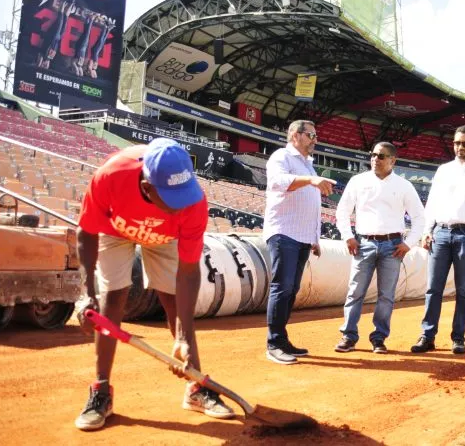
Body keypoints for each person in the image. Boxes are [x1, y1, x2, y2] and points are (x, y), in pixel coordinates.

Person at [73, 138, 234, 431]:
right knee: (113, 299)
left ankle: (197, 386)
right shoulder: (110, 176)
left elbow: (188, 272)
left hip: (165, 237)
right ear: (147, 188)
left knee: (174, 302)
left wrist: (182, 337)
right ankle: (101, 391)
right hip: (116, 228)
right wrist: (86, 294)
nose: (182, 204)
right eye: (174, 199)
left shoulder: (193, 201)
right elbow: (86, 232)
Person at [411, 126, 465, 355]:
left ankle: (458, 338)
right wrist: (426, 230)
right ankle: (427, 336)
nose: (460, 147)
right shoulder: (443, 170)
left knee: (464, 290)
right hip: (440, 232)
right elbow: (432, 202)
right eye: (457, 143)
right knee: (433, 288)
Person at [334, 142, 425, 354]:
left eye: (381, 156)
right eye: (373, 154)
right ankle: (348, 336)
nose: (376, 159)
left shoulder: (404, 186)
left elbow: (420, 218)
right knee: (355, 292)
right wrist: (348, 236)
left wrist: (409, 243)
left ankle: (379, 338)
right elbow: (343, 211)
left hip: (393, 246)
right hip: (363, 242)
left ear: (393, 160)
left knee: (386, 295)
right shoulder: (358, 181)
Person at [263, 120, 335, 364]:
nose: (315, 139)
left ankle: (281, 339)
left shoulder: (308, 165)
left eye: (316, 135)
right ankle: (273, 343)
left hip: (302, 237)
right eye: (311, 135)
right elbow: (277, 183)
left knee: (291, 289)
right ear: (295, 135)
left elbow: (312, 206)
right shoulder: (281, 156)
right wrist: (311, 180)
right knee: (282, 287)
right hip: (284, 232)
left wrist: (314, 238)